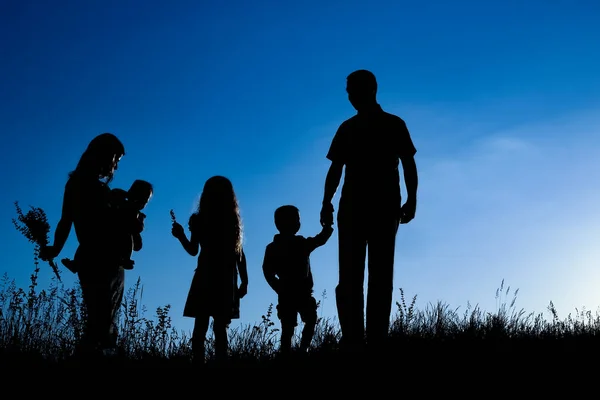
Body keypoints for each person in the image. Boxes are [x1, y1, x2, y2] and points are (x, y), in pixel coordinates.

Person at [319, 69, 419, 352]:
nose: (350, 96)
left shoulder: (393, 124)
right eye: (348, 91)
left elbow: (408, 163)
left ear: (371, 89)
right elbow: (335, 168)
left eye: (354, 90)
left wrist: (412, 199)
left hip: (382, 208)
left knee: (379, 275)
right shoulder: (347, 128)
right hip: (352, 209)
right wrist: (326, 201)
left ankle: (375, 339)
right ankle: (353, 338)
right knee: (351, 277)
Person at [39, 132, 127, 359]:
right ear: (102, 155)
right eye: (115, 158)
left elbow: (67, 220)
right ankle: (90, 359)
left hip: (107, 259)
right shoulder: (81, 185)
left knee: (104, 318)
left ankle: (95, 357)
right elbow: (66, 220)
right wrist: (55, 249)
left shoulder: (84, 185)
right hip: (97, 259)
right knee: (101, 320)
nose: (116, 165)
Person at [171, 175, 249, 365]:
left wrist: (180, 236)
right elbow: (240, 253)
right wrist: (244, 280)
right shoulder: (232, 219)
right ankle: (220, 362)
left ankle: (199, 362)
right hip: (226, 277)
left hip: (206, 274)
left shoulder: (199, 219)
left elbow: (193, 250)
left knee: (201, 325)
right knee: (220, 327)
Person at [262, 205, 333, 356]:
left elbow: (267, 271)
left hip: (292, 292)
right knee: (297, 323)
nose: (298, 223)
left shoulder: (277, 247)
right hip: (294, 292)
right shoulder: (296, 244)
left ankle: (296, 350)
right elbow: (320, 240)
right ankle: (300, 350)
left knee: (292, 325)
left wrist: (276, 285)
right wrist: (327, 228)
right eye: (296, 220)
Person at [60, 179, 153, 273]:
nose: (143, 204)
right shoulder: (124, 203)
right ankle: (76, 263)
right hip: (110, 233)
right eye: (143, 200)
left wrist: (139, 221)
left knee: (128, 238)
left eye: (145, 202)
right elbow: (114, 195)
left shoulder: (134, 211)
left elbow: (137, 228)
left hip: (121, 235)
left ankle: (125, 258)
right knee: (89, 242)